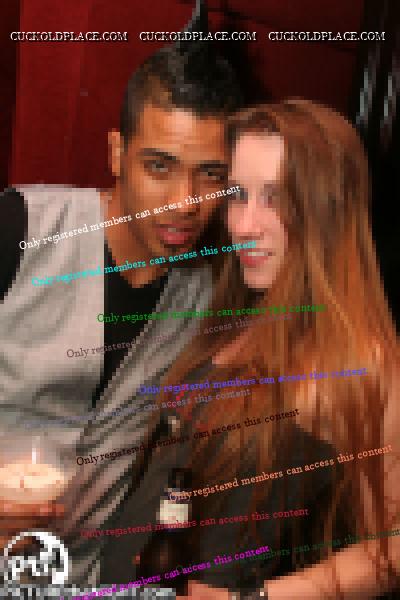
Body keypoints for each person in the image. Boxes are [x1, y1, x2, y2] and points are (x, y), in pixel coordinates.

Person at [0, 36, 242, 588]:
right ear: (117, 153)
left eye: (211, 174)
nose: (184, 202)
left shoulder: (212, 292)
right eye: (159, 166)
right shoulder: (17, 229)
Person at [141, 99, 399, 599]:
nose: (242, 225)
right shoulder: (236, 317)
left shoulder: (361, 362)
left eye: (275, 198)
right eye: (238, 195)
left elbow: (388, 549)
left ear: (327, 212)